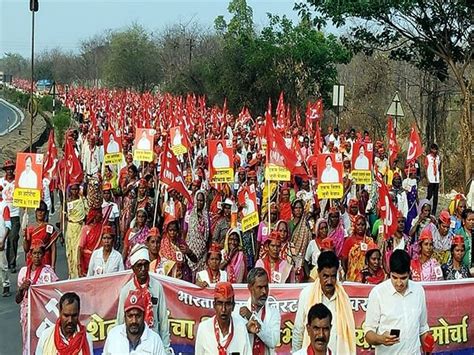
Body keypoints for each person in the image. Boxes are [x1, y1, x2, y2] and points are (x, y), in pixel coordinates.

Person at [365, 249, 434, 354]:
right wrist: (381, 339)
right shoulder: (378, 293)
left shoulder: (418, 291)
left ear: (409, 274)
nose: (399, 283)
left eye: (403, 278)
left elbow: (423, 328)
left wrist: (428, 341)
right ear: (389, 273)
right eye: (395, 277)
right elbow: (368, 334)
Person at [292, 251, 356, 354]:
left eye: (333, 276)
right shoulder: (307, 294)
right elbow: (298, 331)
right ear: (318, 273)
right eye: (325, 276)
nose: (329, 281)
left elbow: (350, 334)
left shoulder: (344, 299)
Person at [116, 244, 170, 351]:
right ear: (133, 268)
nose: (143, 269)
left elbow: (163, 321)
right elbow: (120, 322)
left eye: (146, 265)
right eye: (139, 266)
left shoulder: (157, 287)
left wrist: (165, 349)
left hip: (153, 344)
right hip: (132, 345)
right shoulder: (126, 290)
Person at [17, 240, 58, 355]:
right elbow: (17, 299)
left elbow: (57, 290)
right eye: (34, 253)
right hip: (27, 313)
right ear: (30, 254)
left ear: (43, 255)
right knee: (28, 341)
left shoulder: (48, 271)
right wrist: (21, 289)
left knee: (44, 340)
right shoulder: (23, 272)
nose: (37, 256)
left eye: (39, 253)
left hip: (44, 314)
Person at [195, 282, 251, 354]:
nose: (223, 309)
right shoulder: (204, 328)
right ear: (214, 305)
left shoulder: (241, 328)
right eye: (220, 303)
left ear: (233, 306)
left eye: (227, 304)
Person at [103, 289, 166, 354]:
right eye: (130, 316)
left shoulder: (155, 340)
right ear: (124, 316)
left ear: (144, 315)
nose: (134, 321)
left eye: (138, 316)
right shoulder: (114, 335)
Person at [234, 267, 281, 354]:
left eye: (266, 287)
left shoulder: (273, 312)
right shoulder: (238, 311)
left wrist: (252, 317)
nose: (264, 292)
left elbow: (274, 342)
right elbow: (233, 341)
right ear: (250, 288)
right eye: (260, 287)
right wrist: (246, 330)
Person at [23, 201, 59, 269]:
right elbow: (26, 249)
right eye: (38, 210)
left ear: (45, 212)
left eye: (42, 210)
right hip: (32, 261)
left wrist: (53, 266)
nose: (40, 213)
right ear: (36, 212)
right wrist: (25, 238)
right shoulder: (29, 228)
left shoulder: (49, 227)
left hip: (45, 260)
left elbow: (53, 248)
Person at [184, 190, 210, 276]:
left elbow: (208, 235)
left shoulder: (207, 216)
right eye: (198, 200)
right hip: (191, 249)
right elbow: (184, 231)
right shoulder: (189, 214)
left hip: (202, 253)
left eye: (201, 200)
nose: (199, 203)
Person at [1, 159, 20, 273]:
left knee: (13, 238)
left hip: (14, 214)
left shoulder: (18, 182)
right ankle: (3, 262)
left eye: (11, 169)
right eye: (7, 169)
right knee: (3, 239)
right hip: (3, 215)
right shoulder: (0, 182)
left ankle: (11, 263)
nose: (9, 171)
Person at [65, 182, 89, 279]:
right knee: (70, 252)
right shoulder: (67, 201)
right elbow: (64, 216)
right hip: (71, 229)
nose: (74, 191)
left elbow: (87, 213)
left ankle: (79, 273)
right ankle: (72, 274)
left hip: (80, 228)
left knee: (78, 252)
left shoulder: (82, 200)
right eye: (72, 189)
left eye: (76, 189)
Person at [0, 185, 11, 297]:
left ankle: (6, 285)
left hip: (1, 239)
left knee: (2, 265)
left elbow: (8, 224)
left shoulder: (4, 206)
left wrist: (3, 240)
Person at [425, 143, 441, 214]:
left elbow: (439, 167)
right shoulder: (428, 157)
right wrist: (427, 178)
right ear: (431, 150)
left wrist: (439, 176)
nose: (435, 151)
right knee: (429, 195)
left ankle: (434, 212)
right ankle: (425, 208)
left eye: (436, 149)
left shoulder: (438, 158)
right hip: (430, 179)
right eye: (433, 149)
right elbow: (425, 168)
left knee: (436, 197)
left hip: (436, 179)